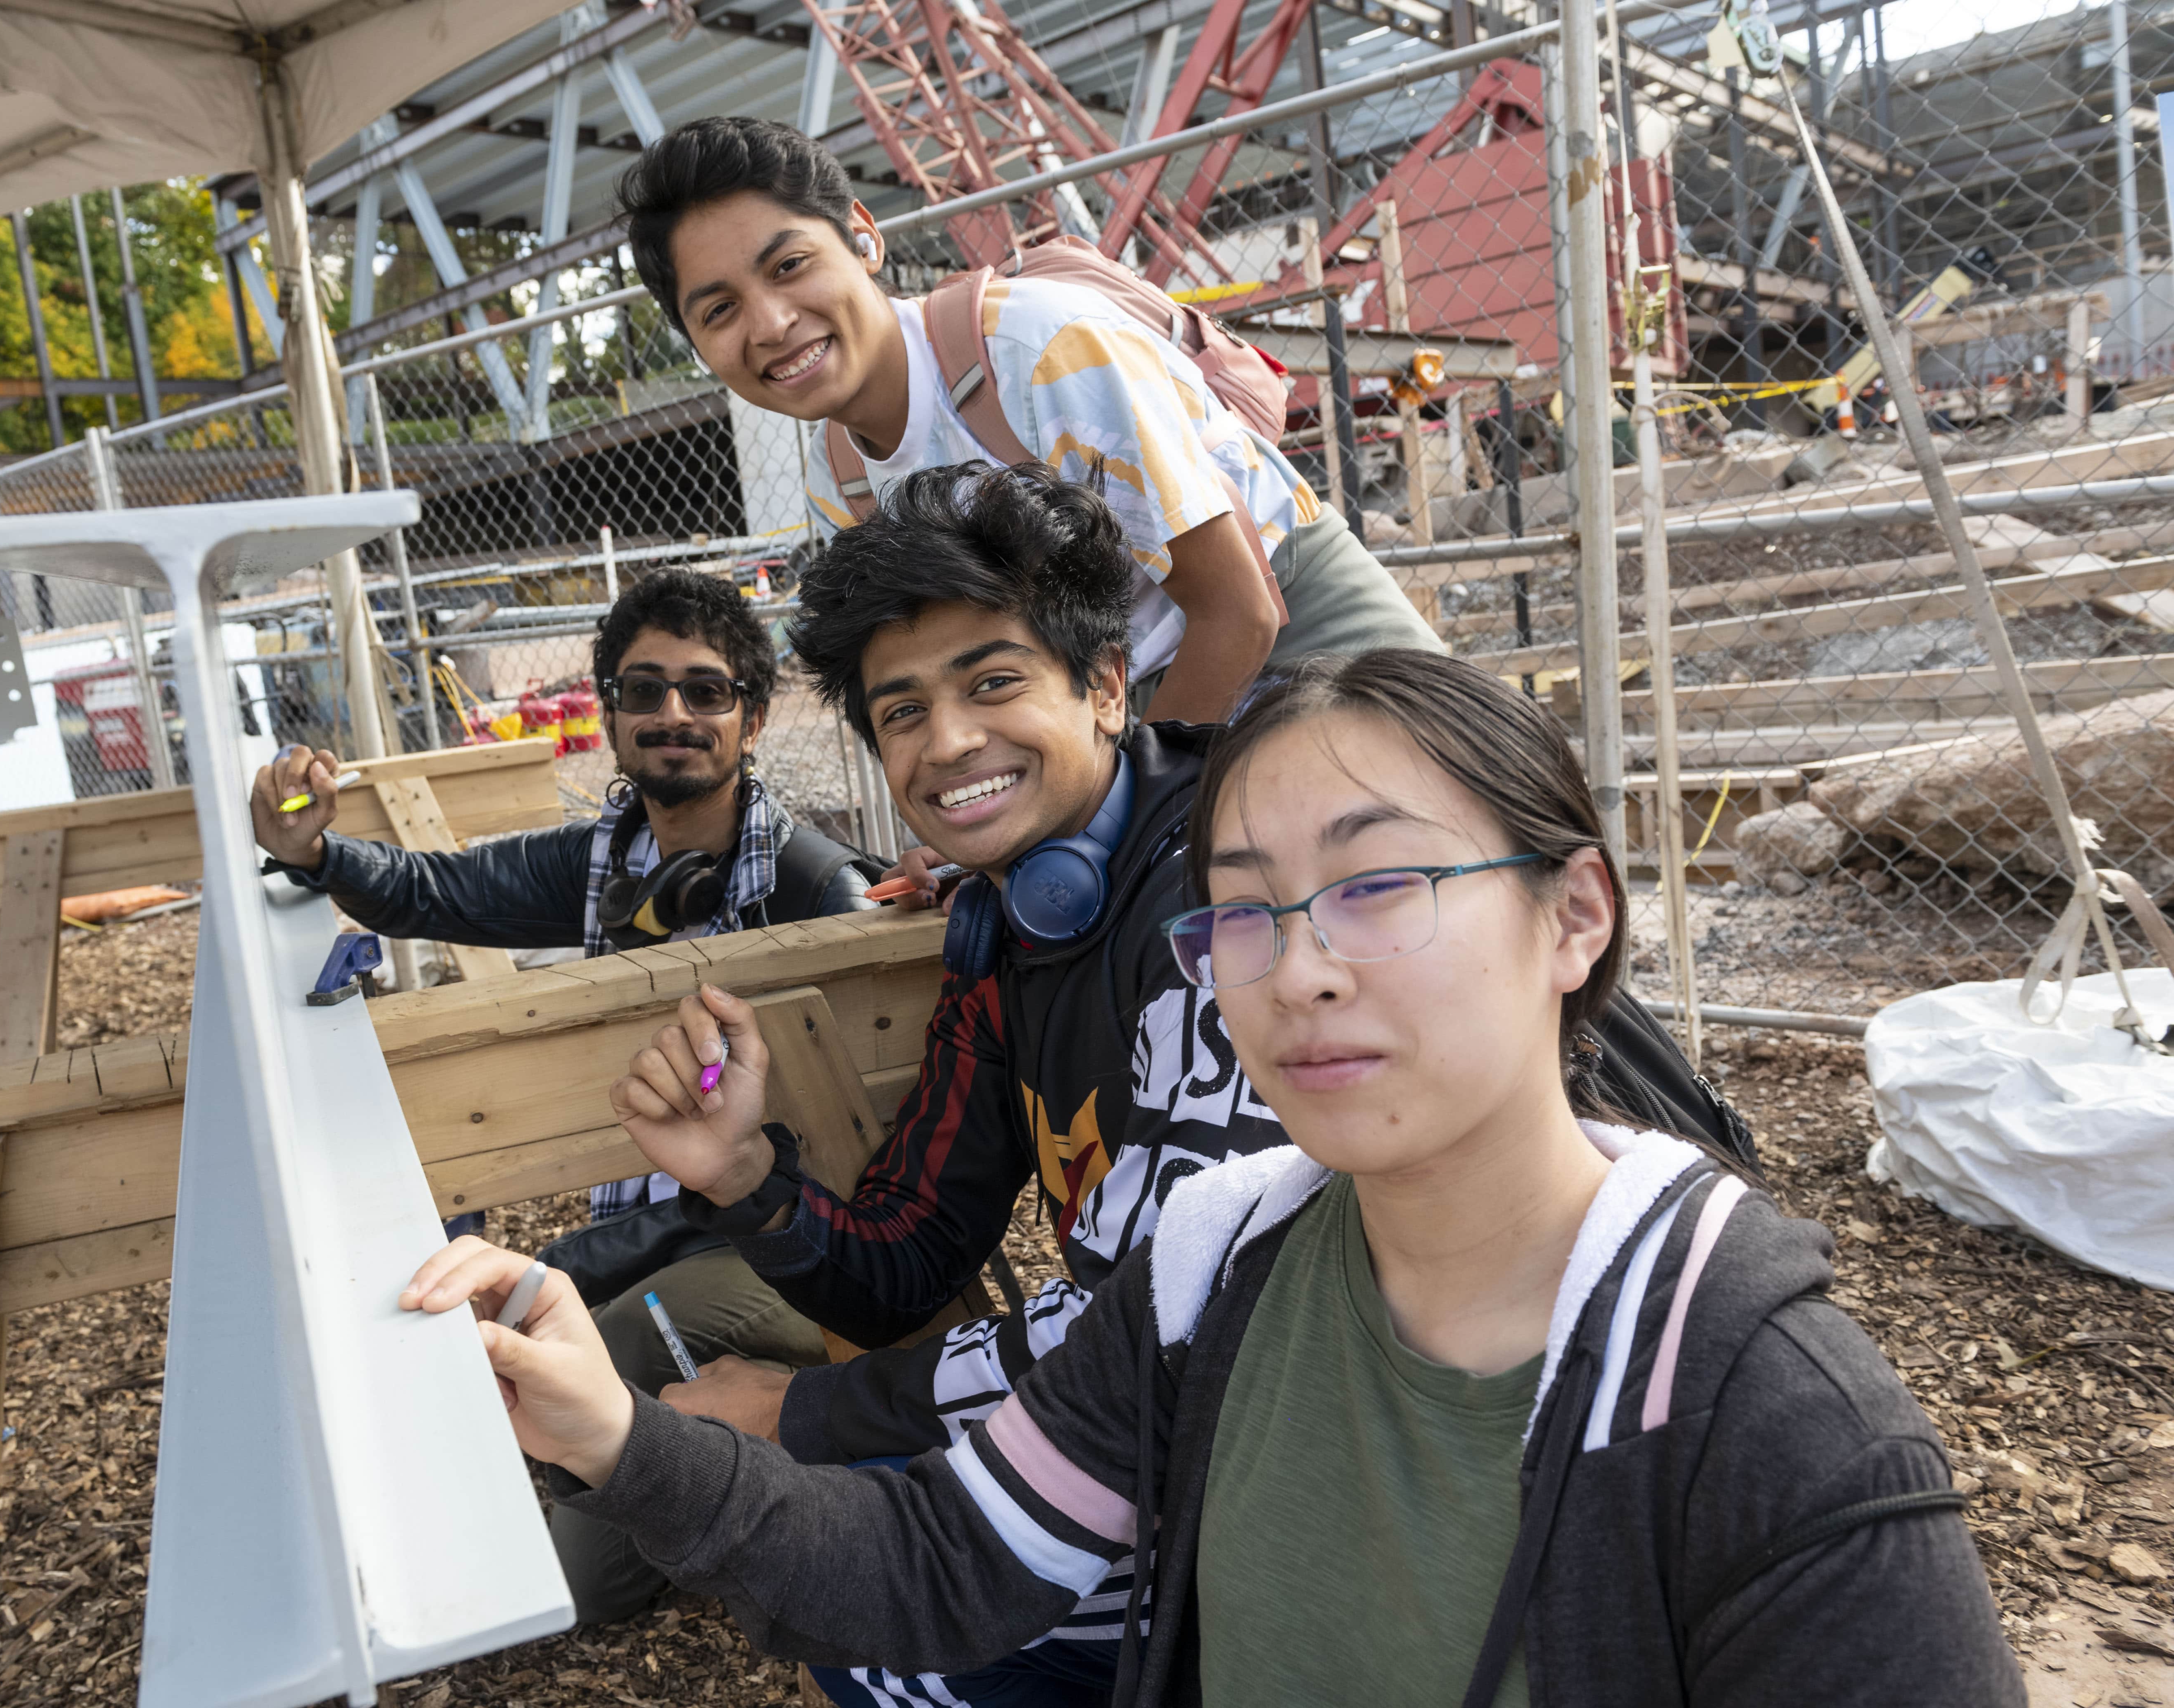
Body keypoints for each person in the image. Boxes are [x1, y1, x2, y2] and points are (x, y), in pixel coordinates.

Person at [403, 645, 2023, 1708]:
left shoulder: (1759, 1404)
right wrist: (615, 1435)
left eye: (1380, 884)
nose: (1297, 971)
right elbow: (944, 1568)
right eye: (1243, 909)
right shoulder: (1223, 1263)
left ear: (1576, 918)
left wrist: (785, 1395)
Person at [246, 565, 882, 1625]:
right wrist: (311, 848)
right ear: (612, 715)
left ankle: (721, 1461)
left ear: (754, 718)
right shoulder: (606, 860)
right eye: (644, 691)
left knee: (572, 1559)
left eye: (706, 691)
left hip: (787, 1259)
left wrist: (562, 1274)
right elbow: (432, 890)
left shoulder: (816, 888)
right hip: (659, 1253)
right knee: (538, 1376)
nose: (673, 715)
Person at [617, 116, 1442, 728]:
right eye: (719, 310)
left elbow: (1239, 611)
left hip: (1296, 624)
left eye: (791, 266)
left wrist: (1124, 823)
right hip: (1120, 691)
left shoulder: (1036, 348)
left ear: (864, 239)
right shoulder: (843, 480)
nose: (768, 324)